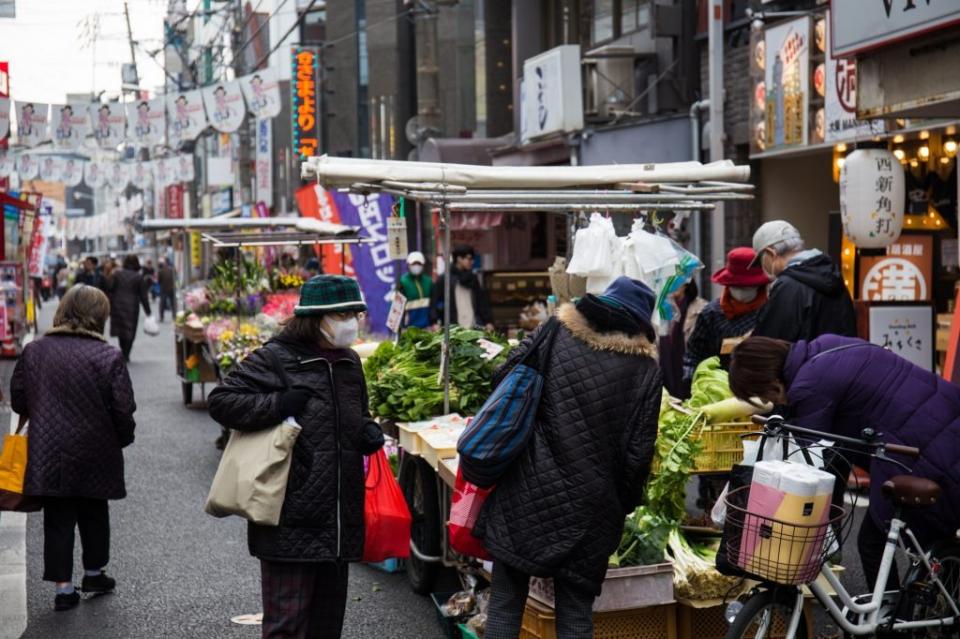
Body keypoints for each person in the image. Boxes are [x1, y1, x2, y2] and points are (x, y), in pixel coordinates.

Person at [478, 276, 663, 639]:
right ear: (640, 324)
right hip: (592, 508)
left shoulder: (555, 332)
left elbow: (503, 377)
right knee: (575, 613)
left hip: (526, 488)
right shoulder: (645, 371)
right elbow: (638, 455)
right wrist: (621, 503)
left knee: (505, 601)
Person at [208, 275, 385, 639]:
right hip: (290, 515)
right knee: (286, 628)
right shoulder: (275, 358)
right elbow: (222, 402)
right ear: (317, 317)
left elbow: (356, 414)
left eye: (355, 313)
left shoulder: (350, 362)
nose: (352, 321)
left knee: (326, 626)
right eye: (344, 314)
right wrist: (277, 404)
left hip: (339, 518)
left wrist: (366, 431)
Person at [729, 335, 960, 591]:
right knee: (928, 539)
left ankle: (889, 618)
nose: (766, 400)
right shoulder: (825, 346)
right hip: (945, 422)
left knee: (872, 542)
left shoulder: (808, 387)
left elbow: (808, 462)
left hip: (925, 450)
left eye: (759, 394)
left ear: (769, 382)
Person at [11, 285, 137, 611]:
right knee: (94, 511)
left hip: (48, 447)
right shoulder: (108, 356)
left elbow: (19, 399)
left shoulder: (35, 351)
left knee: (58, 516)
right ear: (100, 317)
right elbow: (123, 409)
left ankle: (64, 589)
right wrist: (122, 438)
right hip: (97, 448)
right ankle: (95, 573)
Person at [749, 220, 856, 342]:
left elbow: (769, 343)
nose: (762, 267)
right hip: (842, 359)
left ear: (771, 253)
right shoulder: (832, 275)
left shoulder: (787, 286)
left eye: (762, 260)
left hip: (807, 361)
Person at [683, 247, 770, 388]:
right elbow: (693, 356)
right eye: (736, 286)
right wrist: (693, 381)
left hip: (761, 390)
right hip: (718, 390)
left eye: (747, 287)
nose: (741, 292)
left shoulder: (771, 312)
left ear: (759, 285)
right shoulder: (711, 313)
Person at [658, 280, 707, 398]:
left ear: (687, 282)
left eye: (676, 280)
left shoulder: (702, 309)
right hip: (665, 376)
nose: (672, 284)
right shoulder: (660, 308)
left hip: (690, 375)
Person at [430, 244, 493, 331]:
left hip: (473, 326)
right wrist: (434, 322)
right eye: (469, 258)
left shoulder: (473, 278)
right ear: (459, 259)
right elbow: (435, 302)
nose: (472, 262)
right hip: (453, 328)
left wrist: (487, 321)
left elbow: (481, 301)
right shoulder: (445, 279)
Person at [104, 255, 151, 361]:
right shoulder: (138, 277)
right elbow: (143, 296)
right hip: (132, 306)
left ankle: (123, 350)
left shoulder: (117, 274)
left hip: (117, 305)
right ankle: (126, 353)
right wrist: (148, 311)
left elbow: (110, 288)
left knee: (121, 330)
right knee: (130, 330)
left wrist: (110, 303)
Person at [399, 251, 433, 329]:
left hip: (427, 326)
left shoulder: (428, 281)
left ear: (423, 265)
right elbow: (396, 306)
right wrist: (401, 325)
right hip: (409, 327)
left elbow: (433, 303)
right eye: (413, 264)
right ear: (408, 265)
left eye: (419, 264)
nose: (416, 266)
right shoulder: (403, 282)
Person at [157, 258, 177, 323]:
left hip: (164, 289)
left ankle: (161, 317)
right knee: (173, 303)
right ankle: (174, 316)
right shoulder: (172, 270)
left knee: (162, 303)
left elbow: (159, 281)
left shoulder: (160, 271)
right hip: (171, 289)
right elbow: (175, 278)